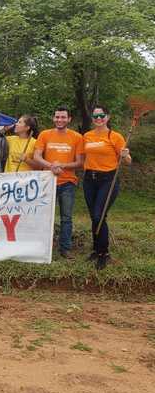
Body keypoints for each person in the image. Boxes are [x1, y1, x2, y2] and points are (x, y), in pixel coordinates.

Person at [82, 105, 131, 270]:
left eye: (101, 115)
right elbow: (82, 157)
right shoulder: (87, 136)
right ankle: (96, 250)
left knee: (99, 216)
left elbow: (128, 160)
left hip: (108, 180)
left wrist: (125, 156)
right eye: (95, 116)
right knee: (94, 216)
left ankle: (104, 253)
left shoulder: (115, 137)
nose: (98, 119)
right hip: (89, 179)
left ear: (107, 117)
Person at [34, 106, 84, 259]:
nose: (59, 120)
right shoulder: (44, 134)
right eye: (57, 117)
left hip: (67, 183)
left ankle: (65, 248)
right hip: (47, 181)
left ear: (69, 119)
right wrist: (51, 166)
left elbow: (80, 162)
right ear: (53, 118)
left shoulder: (77, 137)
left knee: (66, 218)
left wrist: (61, 165)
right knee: (43, 216)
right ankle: (41, 247)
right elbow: (37, 156)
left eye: (63, 117)